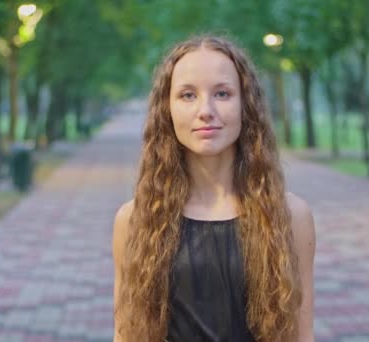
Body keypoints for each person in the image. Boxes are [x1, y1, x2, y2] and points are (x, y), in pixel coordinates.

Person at [112, 35, 315, 342]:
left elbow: (300, 336)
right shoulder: (134, 220)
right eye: (188, 95)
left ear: (246, 105)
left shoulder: (290, 217)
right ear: (167, 109)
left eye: (222, 93)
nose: (205, 110)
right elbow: (127, 335)